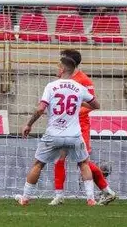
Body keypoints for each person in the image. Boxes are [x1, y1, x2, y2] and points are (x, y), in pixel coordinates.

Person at [15, 55, 102, 206]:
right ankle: (91, 199)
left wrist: (28, 124)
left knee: (38, 164)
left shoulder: (51, 86)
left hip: (53, 134)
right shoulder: (79, 88)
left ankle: (25, 198)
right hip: (74, 135)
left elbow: (41, 108)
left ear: (62, 69)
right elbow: (96, 105)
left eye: (58, 67)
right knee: (83, 163)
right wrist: (78, 103)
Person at [49, 50, 117, 206]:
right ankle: (59, 195)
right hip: (63, 127)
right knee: (59, 159)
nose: (59, 64)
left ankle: (107, 191)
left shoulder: (84, 80)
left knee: (83, 162)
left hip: (80, 126)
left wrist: (71, 113)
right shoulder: (62, 78)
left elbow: (92, 106)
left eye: (62, 61)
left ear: (69, 63)